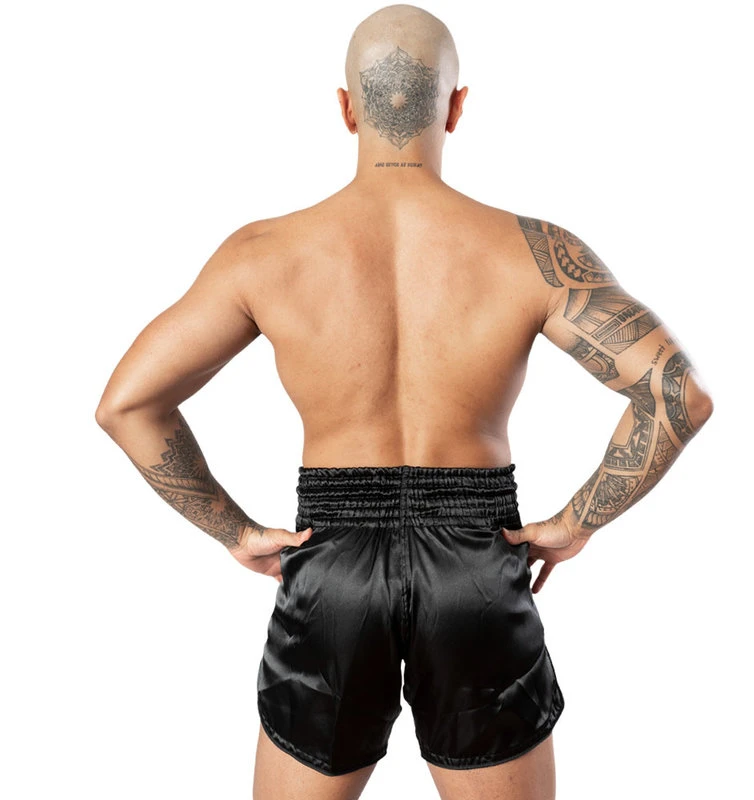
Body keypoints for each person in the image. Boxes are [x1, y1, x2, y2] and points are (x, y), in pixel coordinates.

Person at [95, 4, 714, 799]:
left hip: (331, 561)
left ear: (345, 108)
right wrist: (575, 522)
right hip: (476, 560)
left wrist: (236, 532)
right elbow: (676, 392)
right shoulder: (531, 251)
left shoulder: (263, 253)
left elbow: (127, 404)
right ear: (456, 108)